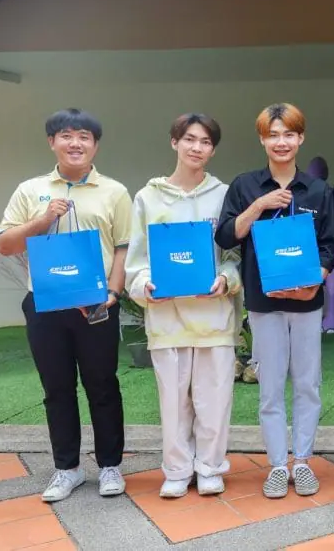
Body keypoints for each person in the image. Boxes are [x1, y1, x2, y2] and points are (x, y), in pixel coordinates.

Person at [0, 108, 131, 502]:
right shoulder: (30, 189)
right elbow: (5, 244)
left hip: (96, 304)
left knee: (103, 385)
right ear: (52, 141)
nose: (76, 143)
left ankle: (110, 466)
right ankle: (66, 468)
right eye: (67, 135)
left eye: (85, 136)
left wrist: (114, 291)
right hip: (45, 304)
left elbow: (124, 246)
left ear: (95, 145)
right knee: (57, 388)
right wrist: (42, 220)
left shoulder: (114, 191)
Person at [215, 103, 334, 499]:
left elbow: (330, 246)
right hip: (263, 303)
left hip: (306, 303)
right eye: (273, 134)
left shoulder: (319, 190)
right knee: (269, 387)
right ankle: (276, 464)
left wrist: (313, 283)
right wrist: (259, 206)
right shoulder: (245, 186)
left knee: (308, 383)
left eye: (289, 134)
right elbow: (225, 236)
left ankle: (301, 462)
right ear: (262, 139)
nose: (281, 141)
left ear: (300, 138)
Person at [125, 113, 243, 498]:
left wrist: (226, 278)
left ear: (213, 149)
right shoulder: (147, 197)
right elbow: (137, 260)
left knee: (214, 397)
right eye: (190, 139)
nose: (197, 148)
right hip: (167, 316)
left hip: (213, 315)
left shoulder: (225, 195)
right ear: (174, 142)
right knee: (173, 401)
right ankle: (176, 469)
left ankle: (210, 467)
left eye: (206, 142)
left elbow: (234, 253)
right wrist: (146, 285)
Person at [307, 156, 334, 335]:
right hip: (315, 244)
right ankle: (333, 316)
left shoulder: (330, 193)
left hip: (333, 244)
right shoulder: (305, 193)